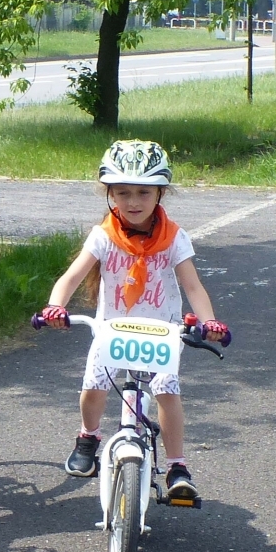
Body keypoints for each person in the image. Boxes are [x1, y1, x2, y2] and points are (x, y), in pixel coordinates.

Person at [36, 140, 229, 501]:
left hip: (162, 333)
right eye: (122, 193)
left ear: (161, 193)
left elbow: (193, 285)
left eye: (143, 192)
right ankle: (88, 436)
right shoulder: (103, 236)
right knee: (93, 387)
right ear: (109, 194)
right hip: (112, 330)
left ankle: (177, 466)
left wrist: (211, 322)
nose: (133, 202)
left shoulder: (174, 238)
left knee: (167, 392)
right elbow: (71, 277)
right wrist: (55, 307)